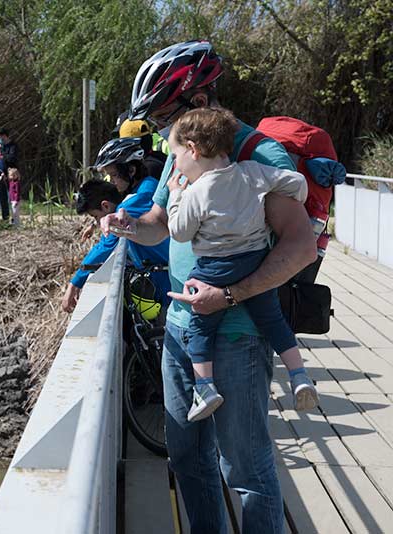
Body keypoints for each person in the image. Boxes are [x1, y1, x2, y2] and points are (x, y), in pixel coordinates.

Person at [102, 40, 317, 534]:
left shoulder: (258, 153)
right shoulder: (184, 155)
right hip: (179, 329)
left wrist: (232, 295)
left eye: (162, 119)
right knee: (188, 461)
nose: (159, 134)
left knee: (244, 470)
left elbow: (301, 245)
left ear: (197, 104)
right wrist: (126, 225)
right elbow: (160, 221)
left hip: (238, 334)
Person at [165, 107, 318, 422]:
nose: (176, 163)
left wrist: (175, 196)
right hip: (253, 262)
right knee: (273, 321)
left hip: (214, 270)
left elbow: (178, 231)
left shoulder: (197, 191)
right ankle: (299, 375)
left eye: (176, 155)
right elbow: (295, 183)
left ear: (193, 150)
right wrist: (296, 196)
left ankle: (205, 388)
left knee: (200, 325)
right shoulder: (251, 172)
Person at [62, 137, 170, 313]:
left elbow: (107, 243)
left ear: (131, 170)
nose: (110, 181)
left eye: (113, 175)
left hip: (165, 283)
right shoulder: (147, 185)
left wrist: (74, 283)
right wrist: (95, 224)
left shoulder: (138, 199)